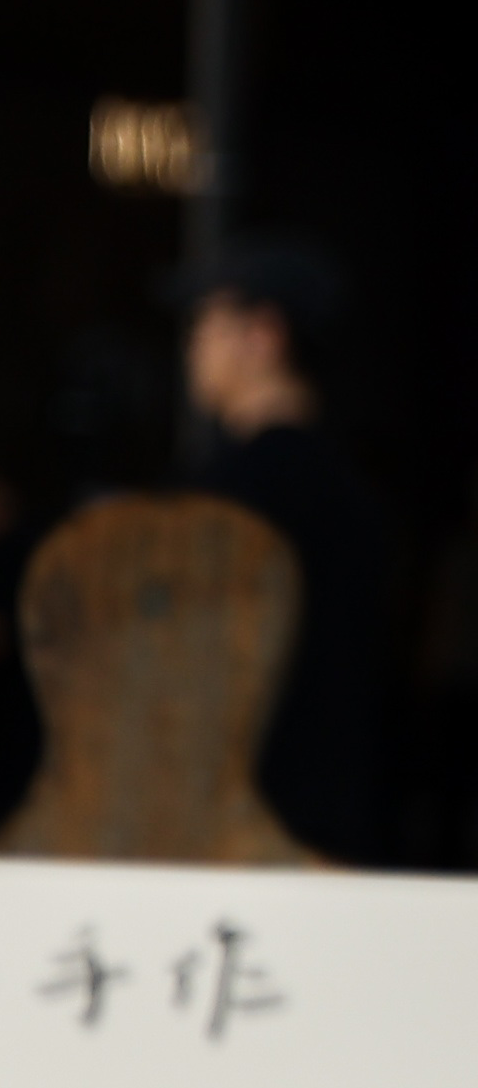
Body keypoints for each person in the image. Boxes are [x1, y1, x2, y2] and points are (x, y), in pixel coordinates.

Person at [179, 236, 402, 867]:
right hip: (329, 822)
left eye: (207, 324)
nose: (195, 347)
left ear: (263, 335)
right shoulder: (355, 493)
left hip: (230, 820)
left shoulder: (229, 491)